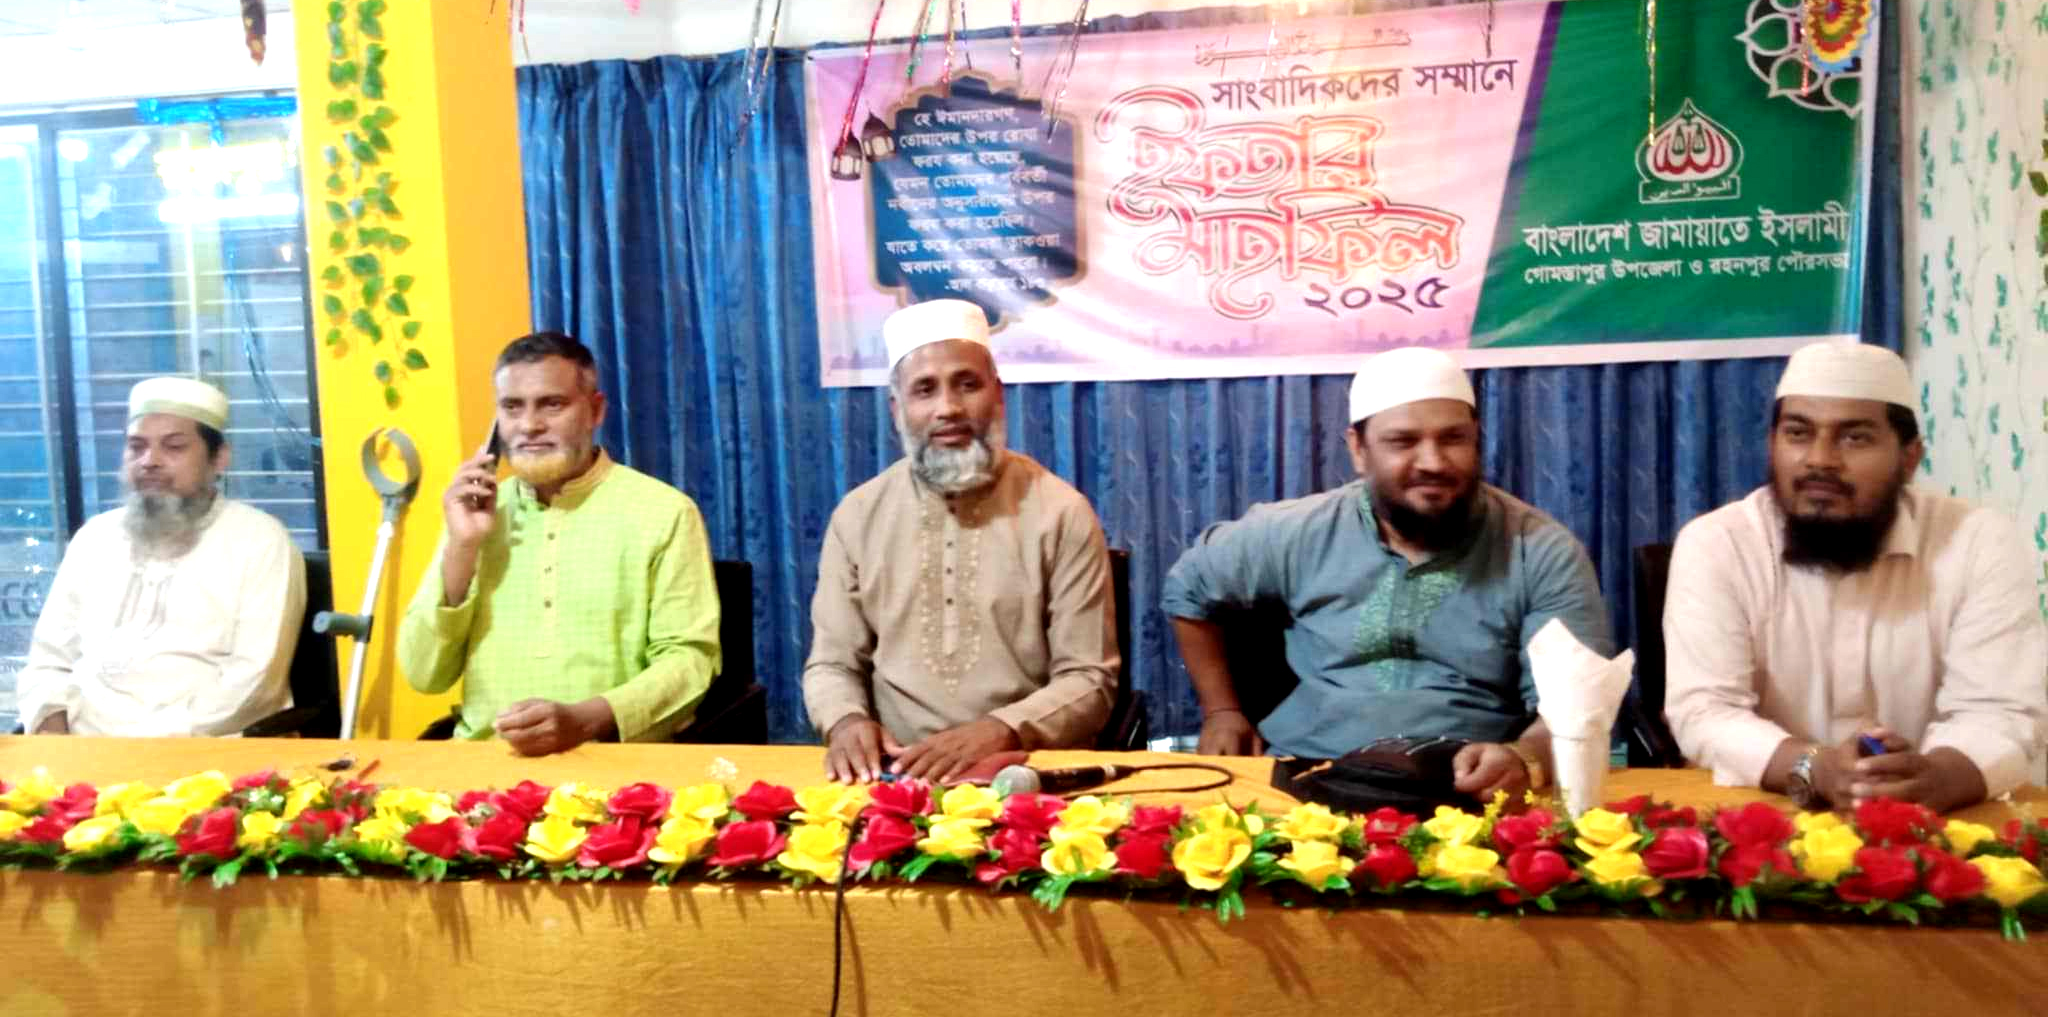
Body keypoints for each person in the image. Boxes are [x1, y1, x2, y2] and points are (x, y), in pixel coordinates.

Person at [1160, 347, 1613, 804]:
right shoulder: (1296, 531)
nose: (1433, 461)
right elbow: (1187, 589)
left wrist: (1522, 759)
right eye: (1403, 441)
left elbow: (1576, 708)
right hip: (1308, 775)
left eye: (1453, 438)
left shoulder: (1539, 550)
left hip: (1470, 787)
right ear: (1359, 450)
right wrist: (1221, 711)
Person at [1663, 342, 2046, 812]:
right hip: (1762, 820)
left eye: (1855, 438)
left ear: (1909, 457)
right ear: (1772, 444)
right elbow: (1704, 711)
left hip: (1939, 820)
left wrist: (1937, 777)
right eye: (1798, 433)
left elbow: (2002, 711)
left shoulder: (1977, 542)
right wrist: (1814, 768)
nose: (1820, 459)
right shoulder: (1718, 544)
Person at [805, 299, 1119, 783]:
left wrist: (1003, 729)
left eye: (967, 384)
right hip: (893, 773)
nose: (948, 408)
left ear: (998, 395)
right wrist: (846, 721)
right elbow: (831, 662)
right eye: (924, 390)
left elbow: (1090, 680)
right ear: (898, 409)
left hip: (1021, 774)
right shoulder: (858, 515)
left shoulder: (1061, 512)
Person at [396, 331, 720, 755]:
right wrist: (462, 548)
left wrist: (585, 720)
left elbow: (689, 662)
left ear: (595, 411)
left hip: (615, 765)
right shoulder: (475, 514)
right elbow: (423, 674)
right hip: (484, 765)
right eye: (512, 407)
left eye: (552, 404)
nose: (529, 425)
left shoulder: (664, 512)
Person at [17, 377, 305, 737]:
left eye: (174, 447)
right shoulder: (94, 537)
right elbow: (47, 661)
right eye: (136, 446)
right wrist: (52, 730)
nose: (149, 461)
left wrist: (149, 745)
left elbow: (255, 684)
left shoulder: (260, 540)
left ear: (219, 458)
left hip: (206, 748)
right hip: (84, 746)